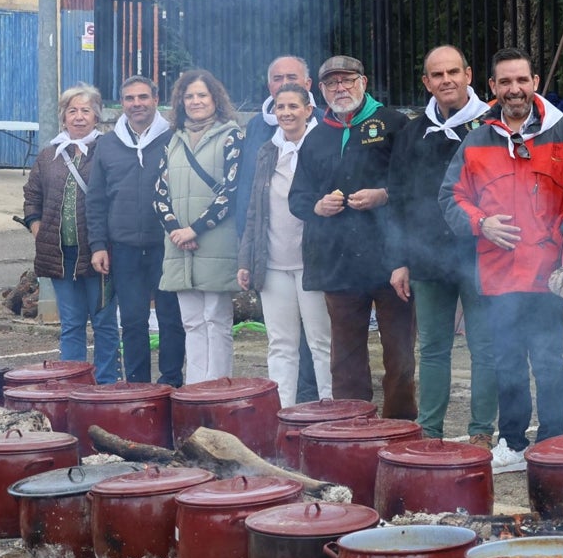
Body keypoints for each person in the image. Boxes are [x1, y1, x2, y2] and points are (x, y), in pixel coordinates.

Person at [440, 47, 563, 469]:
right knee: (506, 361)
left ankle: (553, 440)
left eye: (521, 80)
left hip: (547, 274)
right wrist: (480, 223)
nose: (514, 89)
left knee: (548, 361)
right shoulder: (477, 138)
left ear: (535, 82)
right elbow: (450, 196)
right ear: (492, 87)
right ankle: (512, 442)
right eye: (505, 82)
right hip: (498, 273)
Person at [288, 55, 415, 418]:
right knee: (344, 360)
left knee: (400, 355)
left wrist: (383, 194)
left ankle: (398, 425)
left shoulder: (393, 124)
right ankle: (352, 427)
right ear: (322, 90)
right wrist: (317, 205)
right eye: (332, 84)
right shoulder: (316, 137)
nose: (340, 89)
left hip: (391, 261)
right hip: (338, 262)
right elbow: (297, 198)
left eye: (347, 81)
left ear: (364, 81)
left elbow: (414, 184)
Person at [388, 46, 497, 443]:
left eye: (453, 71)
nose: (446, 79)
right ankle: (429, 430)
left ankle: (482, 430)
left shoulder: (493, 126)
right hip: (428, 259)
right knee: (433, 349)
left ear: (469, 75)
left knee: (485, 348)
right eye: (437, 74)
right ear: (426, 82)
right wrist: (400, 260)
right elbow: (397, 198)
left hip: (482, 254)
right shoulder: (413, 131)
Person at [237, 83, 333, 408]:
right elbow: (255, 209)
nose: (287, 113)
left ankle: (330, 410)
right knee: (280, 343)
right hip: (274, 262)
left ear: (309, 109)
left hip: (313, 262)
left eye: (294, 106)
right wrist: (247, 259)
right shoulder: (267, 151)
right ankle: (284, 413)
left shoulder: (323, 146)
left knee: (322, 342)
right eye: (281, 107)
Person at [87, 76, 184, 387]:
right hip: (125, 248)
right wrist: (98, 244)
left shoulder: (174, 139)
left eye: (143, 97)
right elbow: (96, 199)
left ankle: (171, 381)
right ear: (122, 103)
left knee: (171, 319)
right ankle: (138, 386)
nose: (137, 103)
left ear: (156, 99)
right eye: (130, 98)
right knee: (132, 322)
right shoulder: (107, 144)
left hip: (167, 245)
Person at [23, 84, 121, 384]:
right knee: (71, 324)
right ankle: (73, 383)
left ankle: (106, 384)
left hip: (98, 254)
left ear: (97, 116)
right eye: (72, 111)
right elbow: (32, 197)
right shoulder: (48, 155)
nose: (79, 117)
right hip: (60, 256)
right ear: (63, 117)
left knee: (104, 323)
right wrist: (37, 228)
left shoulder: (109, 150)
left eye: (86, 111)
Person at [154, 69, 243, 384]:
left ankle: (218, 387)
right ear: (181, 101)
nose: (196, 101)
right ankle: (195, 389)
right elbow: (160, 193)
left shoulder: (232, 136)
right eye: (189, 96)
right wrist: (176, 231)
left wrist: (196, 229)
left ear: (215, 99)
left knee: (216, 320)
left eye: (202, 95)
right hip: (178, 245)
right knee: (191, 321)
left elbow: (231, 192)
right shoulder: (172, 141)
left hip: (214, 242)